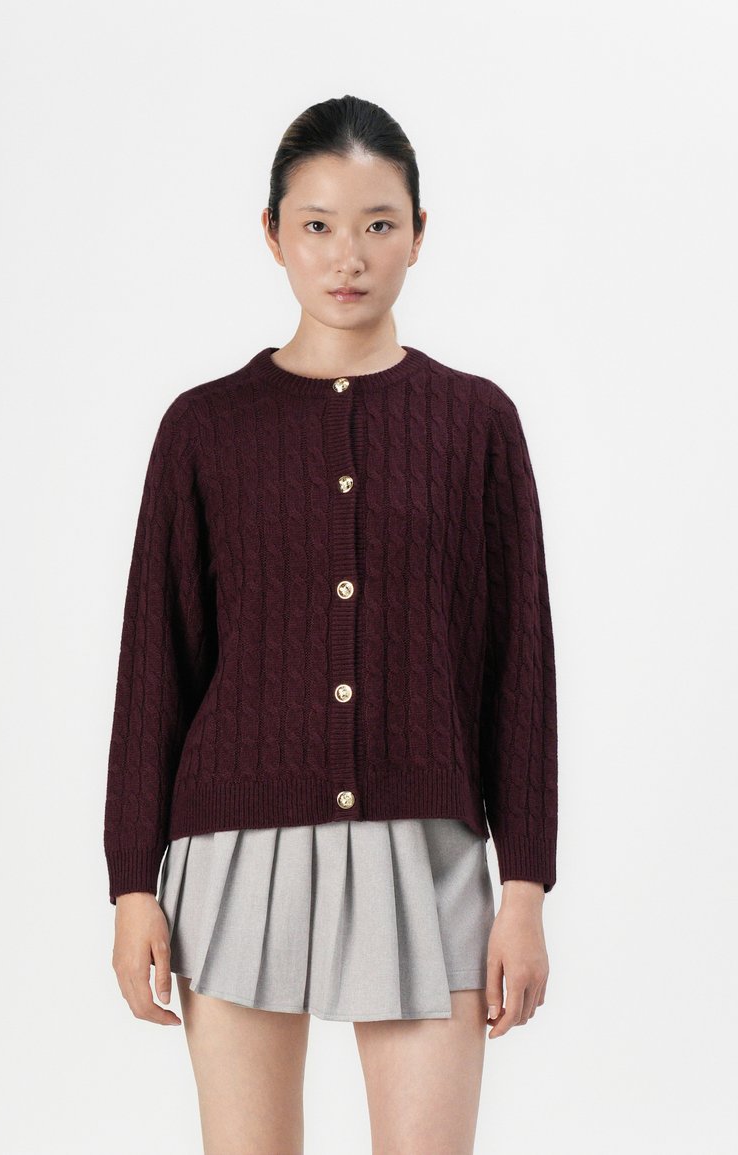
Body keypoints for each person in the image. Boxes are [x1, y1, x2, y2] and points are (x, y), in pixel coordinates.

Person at [104, 93, 558, 1154]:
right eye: (316, 225)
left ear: (418, 234)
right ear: (272, 235)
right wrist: (131, 883)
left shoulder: (476, 423)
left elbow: (519, 670)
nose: (346, 256)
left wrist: (525, 886)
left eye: (377, 224)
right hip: (234, 851)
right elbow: (155, 664)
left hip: (427, 850)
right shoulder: (203, 428)